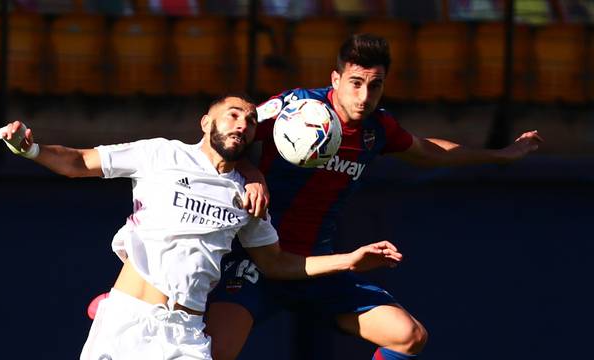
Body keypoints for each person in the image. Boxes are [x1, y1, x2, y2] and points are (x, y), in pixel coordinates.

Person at [206, 35, 544, 360]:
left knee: (408, 337)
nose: (365, 95)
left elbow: (429, 151)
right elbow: (229, 138)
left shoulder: (377, 129)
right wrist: (251, 173)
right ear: (335, 79)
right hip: (259, 261)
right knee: (214, 354)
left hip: (319, 266)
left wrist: (500, 155)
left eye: (375, 85)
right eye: (355, 82)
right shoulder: (296, 107)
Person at [0, 94, 404, 360]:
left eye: (248, 119)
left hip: (187, 336)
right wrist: (30, 148)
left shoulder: (247, 196)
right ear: (205, 121)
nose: (242, 123)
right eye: (232, 114)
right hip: (127, 321)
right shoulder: (160, 154)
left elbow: (278, 265)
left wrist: (348, 260)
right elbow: (78, 162)